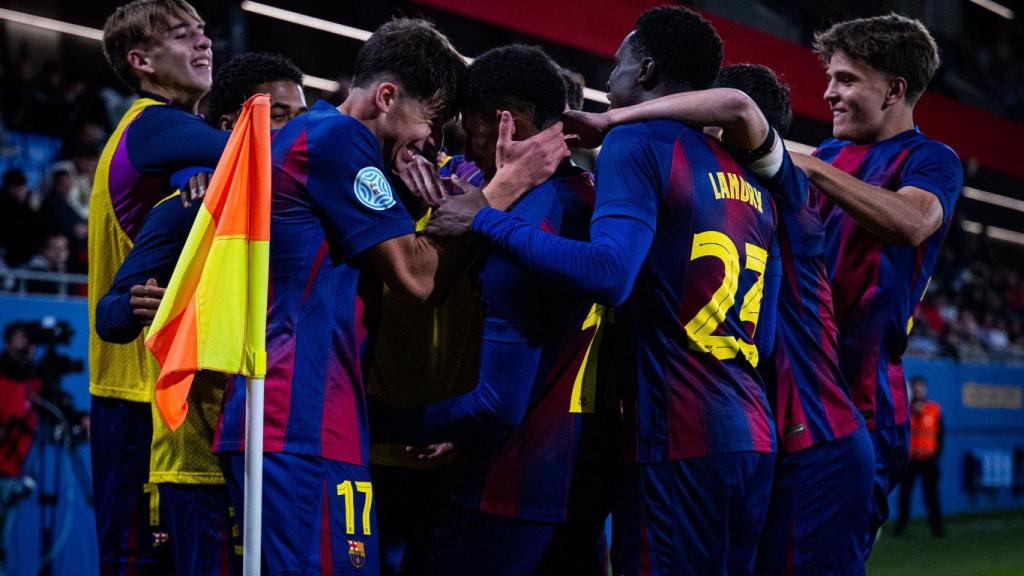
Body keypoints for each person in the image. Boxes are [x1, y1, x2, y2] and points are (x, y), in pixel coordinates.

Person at [205, 19, 567, 575]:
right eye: (430, 121)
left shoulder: (329, 142)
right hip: (296, 417)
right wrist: (502, 191)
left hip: (319, 419)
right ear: (387, 96)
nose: (429, 141)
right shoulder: (336, 139)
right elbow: (419, 278)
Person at [430, 7, 777, 575]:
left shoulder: (637, 141)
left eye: (617, 65)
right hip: (751, 436)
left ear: (645, 72)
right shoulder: (747, 177)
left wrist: (485, 219)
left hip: (679, 436)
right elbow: (767, 329)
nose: (607, 81)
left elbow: (611, 275)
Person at [563, 62, 876, 575]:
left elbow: (734, 106)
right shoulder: (767, 202)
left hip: (804, 435)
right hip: (768, 433)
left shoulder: (780, 197)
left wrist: (613, 120)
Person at [373, 44, 598, 576]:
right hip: (576, 478)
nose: (469, 153)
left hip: (508, 485)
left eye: (471, 133)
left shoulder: (521, 228)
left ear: (508, 123)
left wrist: (378, 423)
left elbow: (495, 404)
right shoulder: (588, 197)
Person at [94, 51, 308, 576]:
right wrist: (132, 303)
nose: (295, 129)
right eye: (277, 115)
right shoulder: (187, 209)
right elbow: (109, 313)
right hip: (198, 457)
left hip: (281, 444)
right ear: (231, 125)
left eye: (301, 116)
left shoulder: (314, 208)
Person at [791, 14, 963, 552]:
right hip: (798, 386)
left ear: (894, 90)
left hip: (864, 397)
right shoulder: (832, 153)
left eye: (845, 80)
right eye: (830, 79)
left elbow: (911, 223)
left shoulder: (930, 159)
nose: (829, 93)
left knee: (831, 559)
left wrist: (812, 169)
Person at [88, 1, 232, 572]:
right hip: (134, 392)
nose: (203, 43)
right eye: (181, 35)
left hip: (134, 386)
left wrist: (189, 175)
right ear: (141, 60)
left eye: (202, 32)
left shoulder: (160, 136)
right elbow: (265, 164)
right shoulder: (154, 124)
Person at [895, 375, 945, 537]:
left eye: (921, 386)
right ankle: (901, 526)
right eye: (915, 386)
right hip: (911, 459)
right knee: (905, 494)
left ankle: (936, 527)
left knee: (931, 494)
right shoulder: (905, 410)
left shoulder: (934, 409)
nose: (918, 389)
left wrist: (936, 456)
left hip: (929, 459)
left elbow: (941, 434)